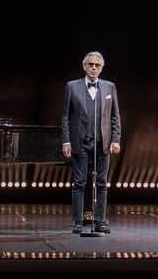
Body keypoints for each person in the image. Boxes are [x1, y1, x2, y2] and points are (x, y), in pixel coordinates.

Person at [62, 51, 122, 234]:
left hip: (102, 143)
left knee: (102, 183)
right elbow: (65, 116)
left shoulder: (109, 87)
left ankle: (100, 221)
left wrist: (116, 139)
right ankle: (78, 221)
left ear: (102, 68)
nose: (94, 68)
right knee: (80, 182)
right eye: (90, 64)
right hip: (80, 142)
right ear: (84, 66)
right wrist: (66, 141)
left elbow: (115, 116)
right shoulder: (72, 87)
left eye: (97, 65)